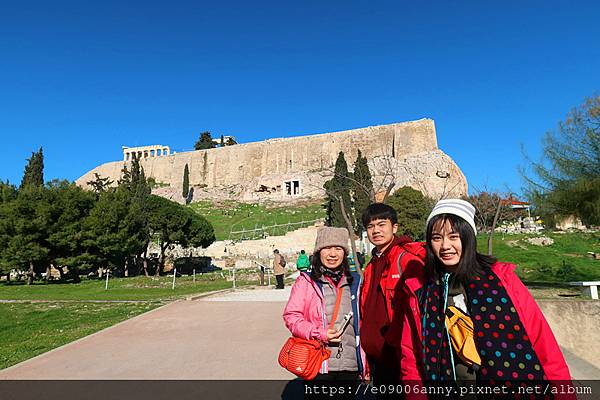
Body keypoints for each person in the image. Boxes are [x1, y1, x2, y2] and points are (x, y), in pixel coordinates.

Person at [397, 199, 572, 388]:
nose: (445, 245)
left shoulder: (502, 280)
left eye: (454, 237)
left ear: (468, 238)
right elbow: (411, 356)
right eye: (437, 238)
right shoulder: (421, 292)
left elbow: (541, 339)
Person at [283, 227, 365, 382]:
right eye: (327, 248)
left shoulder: (356, 282)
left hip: (350, 366)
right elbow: (291, 317)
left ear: (345, 253)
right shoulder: (306, 282)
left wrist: (364, 363)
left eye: (338, 248)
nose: (332, 254)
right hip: (318, 365)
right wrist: (320, 333)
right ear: (318, 252)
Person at [359, 203, 425, 384]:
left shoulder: (406, 259)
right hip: (376, 357)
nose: (376, 231)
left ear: (394, 227)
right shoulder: (371, 265)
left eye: (382, 224)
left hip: (398, 355)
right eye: (371, 226)